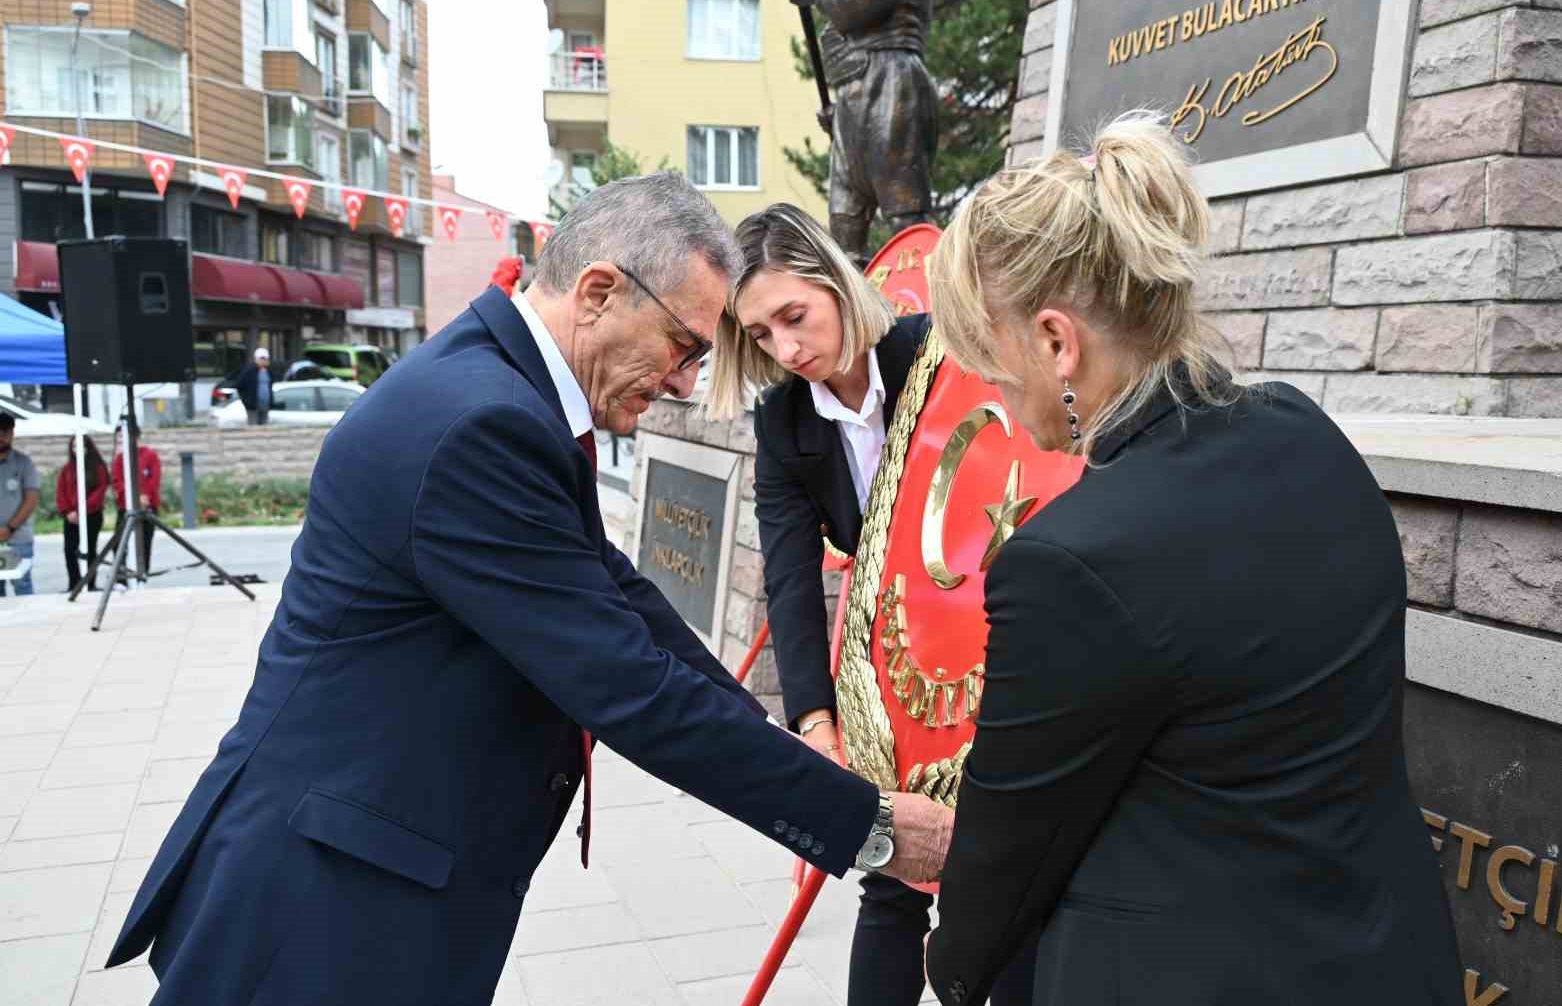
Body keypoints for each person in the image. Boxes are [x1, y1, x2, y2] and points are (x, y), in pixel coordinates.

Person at [106, 173, 954, 1006]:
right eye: (686, 347)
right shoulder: (483, 424)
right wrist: (869, 825)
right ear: (598, 291)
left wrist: (770, 734)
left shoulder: (505, 393)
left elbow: (625, 601)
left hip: (366, 877)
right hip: (324, 908)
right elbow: (625, 684)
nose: (687, 383)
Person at [919, 113, 1463, 1006]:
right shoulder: (1307, 431)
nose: (996, 392)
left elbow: (1012, 842)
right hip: (1387, 951)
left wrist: (950, 967)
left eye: (992, 357)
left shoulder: (1072, 561)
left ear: (1058, 343)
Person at [707, 203, 1035, 1006]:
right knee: (892, 877)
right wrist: (817, 726)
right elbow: (790, 577)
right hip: (896, 673)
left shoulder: (938, 353)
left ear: (837, 282)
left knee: (1014, 883)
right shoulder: (782, 418)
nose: (787, 349)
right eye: (760, 334)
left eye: (795, 316)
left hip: (1005, 655)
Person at [781, 0, 940, 266]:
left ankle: (930, 307)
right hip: (855, 89)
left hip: (890, 78)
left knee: (906, 218)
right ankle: (852, 310)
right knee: (844, 226)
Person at [57, 435, 110, 592]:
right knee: (69, 550)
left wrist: (82, 511)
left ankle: (90, 583)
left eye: (80, 446)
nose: (76, 450)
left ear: (88, 447)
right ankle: (74, 584)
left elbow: (99, 492)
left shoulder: (98, 468)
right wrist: (68, 512)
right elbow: (61, 492)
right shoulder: (66, 469)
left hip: (92, 516)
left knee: (90, 550)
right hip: (71, 517)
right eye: (73, 446)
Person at [111, 427, 162, 577]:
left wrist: (145, 497)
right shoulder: (120, 459)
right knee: (119, 543)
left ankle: (142, 574)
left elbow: (154, 479)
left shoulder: (150, 455)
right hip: (125, 507)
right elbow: (117, 482)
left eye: (125, 435)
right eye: (119, 436)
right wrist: (134, 497)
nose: (121, 439)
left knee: (145, 542)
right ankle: (121, 576)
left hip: (147, 507)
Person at [0, 411, 40, 596]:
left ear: (12, 433)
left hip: (19, 538)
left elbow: (31, 499)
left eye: (5, 431)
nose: (1, 436)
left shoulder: (24, 463)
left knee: (23, 587)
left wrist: (10, 527)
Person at [229, 347, 276, 425]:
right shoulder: (249, 371)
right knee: (253, 426)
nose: (263, 361)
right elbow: (239, 385)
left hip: (265, 404)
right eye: (261, 358)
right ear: (256, 359)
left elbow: (270, 386)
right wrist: (246, 401)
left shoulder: (269, 371)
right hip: (252, 405)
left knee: (264, 426)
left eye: (265, 359)